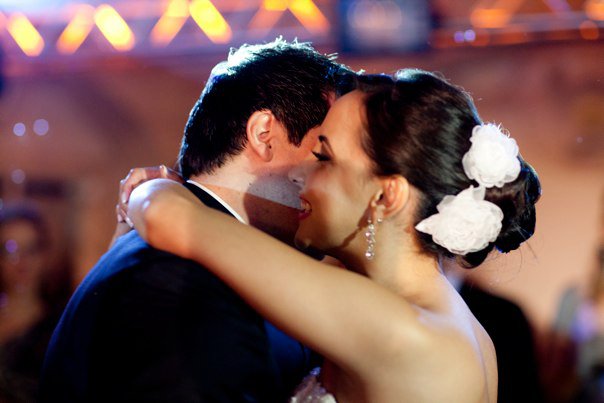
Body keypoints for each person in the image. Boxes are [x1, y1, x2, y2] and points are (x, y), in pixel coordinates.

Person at [126, 70, 541, 402]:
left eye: (324, 158)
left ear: (385, 196)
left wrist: (152, 186)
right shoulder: (452, 325)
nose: (298, 173)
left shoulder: (401, 330)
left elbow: (169, 217)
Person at [40, 39, 355, 402]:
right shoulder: (178, 284)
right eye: (324, 154)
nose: (337, 178)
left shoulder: (200, 266)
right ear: (264, 135)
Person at [0, 205, 68, 402]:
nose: (22, 262)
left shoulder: (60, 327)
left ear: (45, 255)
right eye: (11, 250)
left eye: (31, 250)